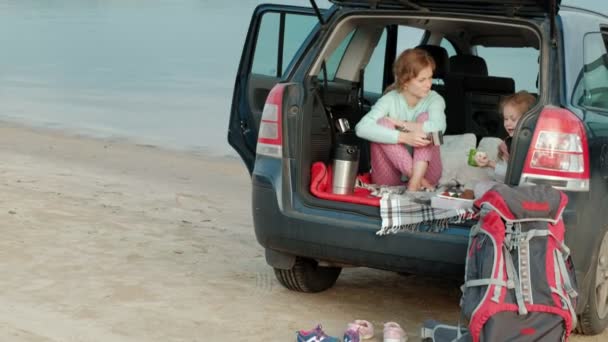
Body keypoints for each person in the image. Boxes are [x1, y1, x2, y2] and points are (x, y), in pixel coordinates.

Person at [355, 48, 446, 192]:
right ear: (405, 82)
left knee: (427, 122)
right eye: (422, 80)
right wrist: (403, 137)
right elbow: (361, 128)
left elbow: (439, 131)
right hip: (390, 179)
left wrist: (403, 124)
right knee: (382, 124)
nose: (428, 84)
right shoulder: (390, 99)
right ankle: (417, 181)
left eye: (430, 77)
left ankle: (415, 182)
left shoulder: (435, 98)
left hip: (429, 174)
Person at [474, 90, 536, 182]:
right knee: (481, 186)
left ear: (529, 121)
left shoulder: (534, 145)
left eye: (513, 119)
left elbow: (516, 176)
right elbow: (504, 178)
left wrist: (491, 164)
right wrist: (487, 164)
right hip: (509, 187)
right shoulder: (507, 144)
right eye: (505, 119)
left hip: (525, 189)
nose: (507, 123)